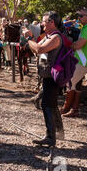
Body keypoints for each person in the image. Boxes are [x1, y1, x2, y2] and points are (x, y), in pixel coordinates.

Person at [24, 11, 64, 147]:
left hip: (52, 76)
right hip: (47, 75)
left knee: (47, 104)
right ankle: (58, 132)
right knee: (51, 104)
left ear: (52, 22)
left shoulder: (55, 37)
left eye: (44, 21)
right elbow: (37, 49)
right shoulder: (49, 36)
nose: (41, 24)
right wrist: (32, 42)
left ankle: (51, 137)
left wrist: (29, 38)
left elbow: (39, 49)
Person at [61, 8, 87, 118]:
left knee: (70, 82)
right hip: (81, 60)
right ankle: (73, 109)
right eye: (79, 16)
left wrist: (68, 44)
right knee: (75, 84)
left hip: (83, 61)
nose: (79, 18)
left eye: (81, 16)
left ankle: (67, 108)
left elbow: (78, 46)